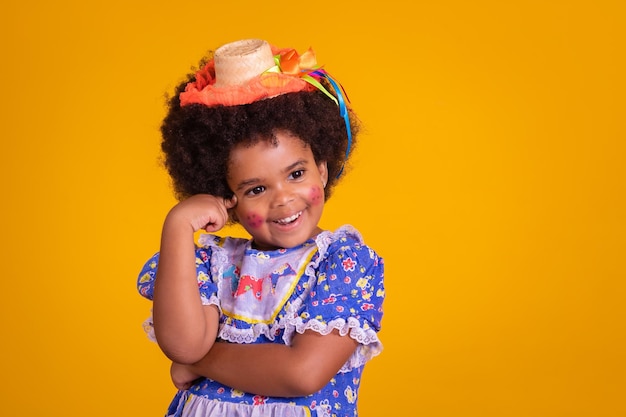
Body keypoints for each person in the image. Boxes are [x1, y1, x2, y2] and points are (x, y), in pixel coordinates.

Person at [137, 38, 385, 417]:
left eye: (296, 174)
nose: (282, 199)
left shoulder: (345, 262)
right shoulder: (212, 261)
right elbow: (183, 345)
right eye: (256, 188)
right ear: (227, 201)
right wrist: (177, 226)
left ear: (322, 170)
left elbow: (302, 373)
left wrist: (202, 363)